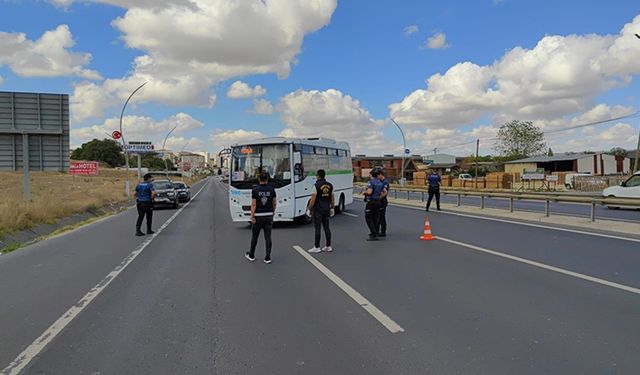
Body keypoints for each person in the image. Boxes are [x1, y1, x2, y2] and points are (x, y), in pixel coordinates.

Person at [246, 171, 277, 264]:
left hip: (258, 216)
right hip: (268, 215)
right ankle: (267, 257)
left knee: (255, 236)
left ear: (259, 179)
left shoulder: (255, 190)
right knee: (268, 237)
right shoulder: (272, 190)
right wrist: (272, 212)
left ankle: (251, 255)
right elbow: (274, 203)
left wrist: (252, 216)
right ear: (267, 179)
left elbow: (254, 204)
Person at [307, 169, 335, 253]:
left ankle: (317, 247)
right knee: (327, 227)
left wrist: (309, 209)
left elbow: (313, 199)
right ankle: (328, 246)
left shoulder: (316, 186)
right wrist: (332, 207)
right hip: (327, 209)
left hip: (318, 210)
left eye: (316, 175)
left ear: (318, 176)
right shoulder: (330, 185)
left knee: (317, 228)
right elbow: (332, 198)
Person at [363, 170, 386, 241]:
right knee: (376, 218)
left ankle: (373, 234)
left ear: (372, 175)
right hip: (378, 202)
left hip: (371, 202)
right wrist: (379, 197)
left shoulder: (371, 182)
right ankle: (375, 233)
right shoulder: (380, 182)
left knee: (369, 218)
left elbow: (369, 192)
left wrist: (365, 192)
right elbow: (384, 192)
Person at [377, 169, 390, 237]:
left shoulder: (385, 182)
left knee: (382, 217)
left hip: (382, 201)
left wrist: (377, 198)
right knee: (378, 217)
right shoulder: (379, 181)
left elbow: (384, 193)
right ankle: (378, 230)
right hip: (379, 201)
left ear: (381, 175)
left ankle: (383, 231)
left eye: (378, 175)